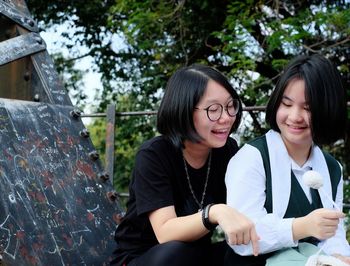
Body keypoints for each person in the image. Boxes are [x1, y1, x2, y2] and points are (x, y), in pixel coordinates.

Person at [111, 64, 259, 266]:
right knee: (175, 253)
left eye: (231, 105)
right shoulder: (154, 154)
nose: (226, 118)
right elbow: (165, 232)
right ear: (184, 111)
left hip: (196, 256)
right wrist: (214, 212)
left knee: (256, 248)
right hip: (146, 259)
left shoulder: (228, 151)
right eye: (214, 109)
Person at [225, 54, 350, 266]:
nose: (295, 116)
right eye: (287, 104)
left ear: (327, 109)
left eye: (308, 108)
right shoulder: (252, 157)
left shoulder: (332, 169)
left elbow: (333, 234)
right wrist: (302, 227)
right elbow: (241, 239)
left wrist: (340, 257)